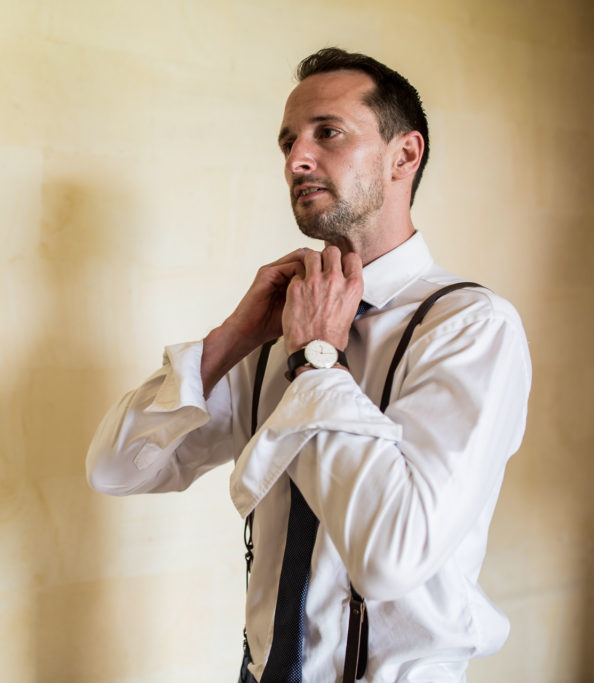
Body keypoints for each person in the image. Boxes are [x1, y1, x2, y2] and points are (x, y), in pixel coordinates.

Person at [85, 47, 531, 682]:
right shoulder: (276, 332)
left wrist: (317, 360)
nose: (297, 158)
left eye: (329, 133)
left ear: (405, 155)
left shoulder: (468, 327)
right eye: (288, 140)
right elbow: (116, 470)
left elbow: (389, 557)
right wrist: (231, 339)